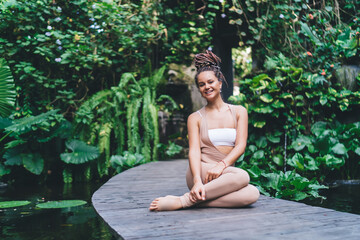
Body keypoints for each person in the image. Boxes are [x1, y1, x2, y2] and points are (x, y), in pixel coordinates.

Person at [149, 50, 259, 211]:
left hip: (224, 173)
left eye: (210, 82)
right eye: (202, 84)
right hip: (202, 172)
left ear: (220, 82)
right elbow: (193, 151)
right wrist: (196, 180)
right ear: (199, 89)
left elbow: (240, 146)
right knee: (242, 176)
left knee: (252, 194)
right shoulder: (195, 118)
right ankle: (191, 196)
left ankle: (186, 201)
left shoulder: (239, 111)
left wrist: (221, 165)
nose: (207, 87)